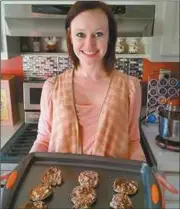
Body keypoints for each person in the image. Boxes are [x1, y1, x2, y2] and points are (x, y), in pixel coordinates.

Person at [29, 1, 178, 206]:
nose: (89, 45)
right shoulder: (52, 87)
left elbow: (133, 141)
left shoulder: (130, 87)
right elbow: (44, 140)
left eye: (98, 34)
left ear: (110, 38)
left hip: (112, 198)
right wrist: (23, 169)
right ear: (70, 37)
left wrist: (147, 175)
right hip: (60, 198)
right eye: (81, 34)